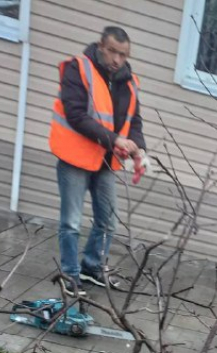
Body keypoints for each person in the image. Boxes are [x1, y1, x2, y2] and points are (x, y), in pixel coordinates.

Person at [49, 26, 147, 295]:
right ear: (101, 46)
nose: (117, 59)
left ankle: (92, 267)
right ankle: (69, 275)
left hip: (106, 162)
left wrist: (139, 150)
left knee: (108, 221)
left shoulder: (130, 81)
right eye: (113, 51)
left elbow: (134, 122)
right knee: (71, 221)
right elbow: (76, 115)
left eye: (123, 54)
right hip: (75, 157)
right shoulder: (78, 68)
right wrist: (115, 139)